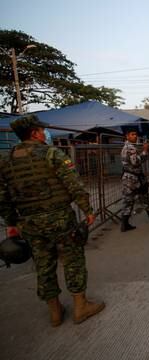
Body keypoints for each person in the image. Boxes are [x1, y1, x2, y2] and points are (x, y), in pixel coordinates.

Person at [0, 115, 105, 327]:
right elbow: (74, 185)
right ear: (35, 133)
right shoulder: (52, 154)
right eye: (41, 130)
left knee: (43, 264)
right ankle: (80, 307)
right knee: (73, 260)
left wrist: (11, 223)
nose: (44, 133)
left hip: (29, 223)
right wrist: (88, 209)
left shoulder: (6, 160)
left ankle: (55, 313)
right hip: (60, 219)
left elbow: (3, 197)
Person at [120, 128, 149, 232]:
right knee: (134, 199)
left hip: (131, 178)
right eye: (132, 134)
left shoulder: (128, 147)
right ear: (127, 136)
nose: (135, 136)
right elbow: (136, 162)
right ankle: (125, 224)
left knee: (139, 198)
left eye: (135, 134)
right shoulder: (130, 148)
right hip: (133, 179)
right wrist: (145, 150)